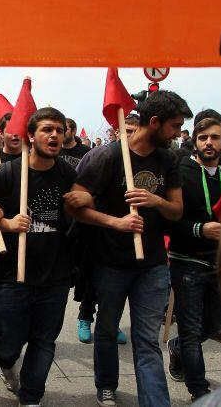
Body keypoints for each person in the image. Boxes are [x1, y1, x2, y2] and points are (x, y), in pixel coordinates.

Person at [67, 90, 192, 407]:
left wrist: (157, 201)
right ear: (154, 122)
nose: (178, 133)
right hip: (109, 263)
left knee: (147, 341)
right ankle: (106, 385)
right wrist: (115, 222)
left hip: (152, 265)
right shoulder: (105, 156)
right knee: (107, 329)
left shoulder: (168, 159)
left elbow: (176, 210)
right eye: (174, 126)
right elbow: (75, 207)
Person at [0, 107, 84, 406]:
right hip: (13, 276)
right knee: (7, 344)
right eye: (47, 129)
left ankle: (31, 397)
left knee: (44, 341)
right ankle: (6, 362)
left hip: (56, 276)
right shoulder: (10, 173)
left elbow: (83, 208)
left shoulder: (68, 174)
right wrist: (7, 223)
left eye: (59, 130)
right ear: (31, 136)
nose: (54, 135)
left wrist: (84, 199)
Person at [166, 118, 221, 402]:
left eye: (215, 137)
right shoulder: (179, 171)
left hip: (220, 263)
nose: (209, 143)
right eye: (203, 137)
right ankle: (199, 391)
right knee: (191, 328)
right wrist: (199, 229)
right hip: (186, 259)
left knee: (214, 325)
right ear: (196, 141)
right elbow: (166, 220)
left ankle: (176, 347)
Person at [73, 113, 138, 345]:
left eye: (133, 130)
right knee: (94, 278)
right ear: (116, 132)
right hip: (98, 229)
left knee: (118, 286)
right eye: (126, 130)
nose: (129, 135)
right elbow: (79, 189)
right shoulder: (99, 155)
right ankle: (84, 317)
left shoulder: (143, 159)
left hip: (128, 231)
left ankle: (111, 322)